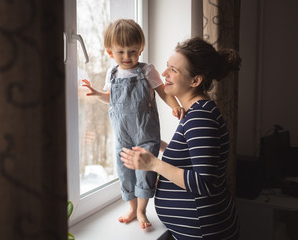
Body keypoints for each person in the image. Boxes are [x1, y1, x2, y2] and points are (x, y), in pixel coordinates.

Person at [120, 37, 241, 239]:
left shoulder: (201, 117)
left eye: (174, 70)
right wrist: (161, 146)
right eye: (167, 67)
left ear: (195, 80)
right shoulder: (198, 111)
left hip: (205, 232)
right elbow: (194, 160)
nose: (164, 74)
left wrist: (153, 164)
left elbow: (205, 183)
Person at [82, 19, 184, 229]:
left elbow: (163, 92)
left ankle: (141, 210)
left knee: (145, 173)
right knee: (124, 171)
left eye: (133, 51)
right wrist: (97, 93)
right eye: (121, 52)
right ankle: (131, 207)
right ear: (110, 52)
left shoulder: (147, 71)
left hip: (145, 134)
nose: (127, 57)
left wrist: (175, 105)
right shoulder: (112, 74)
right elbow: (111, 98)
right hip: (123, 136)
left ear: (141, 50)